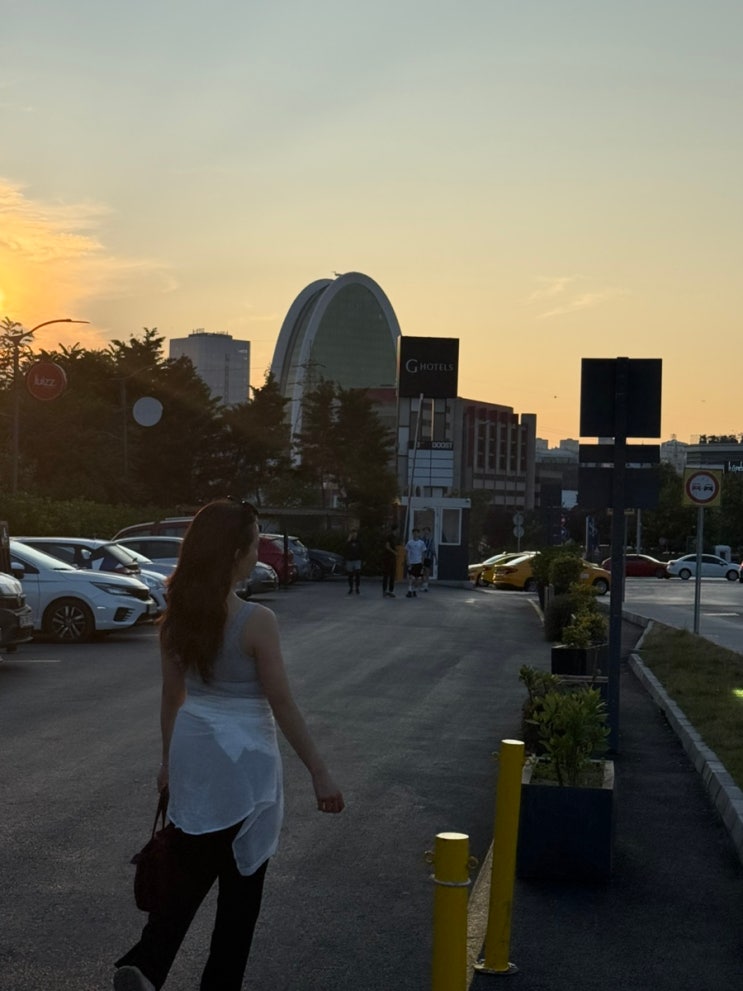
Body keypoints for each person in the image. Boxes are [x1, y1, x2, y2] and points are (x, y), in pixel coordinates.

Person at [114, 500, 344, 991]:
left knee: (185, 875)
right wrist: (319, 771)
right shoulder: (256, 620)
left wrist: (167, 762)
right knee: (241, 893)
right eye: (255, 543)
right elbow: (282, 703)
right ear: (235, 553)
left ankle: (148, 965)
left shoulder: (176, 618)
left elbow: (172, 696)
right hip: (246, 767)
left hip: (194, 755)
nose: (258, 552)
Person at [405, 528, 427, 598]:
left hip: (419, 562)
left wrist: (423, 562)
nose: (415, 534)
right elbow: (407, 552)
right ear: (412, 534)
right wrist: (407, 560)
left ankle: (414, 590)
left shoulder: (421, 543)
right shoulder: (409, 542)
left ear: (418, 534)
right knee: (411, 577)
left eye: (417, 533)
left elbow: (423, 553)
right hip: (412, 562)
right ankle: (409, 590)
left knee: (417, 578)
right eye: (414, 533)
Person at [343, 528, 363, 595]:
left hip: (357, 560)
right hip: (350, 560)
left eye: (355, 535)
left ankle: (357, 587)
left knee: (357, 574)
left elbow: (362, 550)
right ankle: (351, 588)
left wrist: (362, 559)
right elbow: (345, 548)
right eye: (353, 535)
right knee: (350, 575)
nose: (354, 536)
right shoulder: (349, 542)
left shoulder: (359, 542)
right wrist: (348, 540)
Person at [382, 524, 399, 598]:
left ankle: (391, 590)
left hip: (393, 558)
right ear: (394, 530)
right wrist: (394, 552)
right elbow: (387, 546)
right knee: (386, 574)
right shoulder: (389, 537)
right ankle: (384, 590)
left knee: (392, 574)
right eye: (397, 530)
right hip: (388, 558)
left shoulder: (395, 538)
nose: (398, 531)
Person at [421, 526, 436, 592]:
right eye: (424, 530)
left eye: (427, 530)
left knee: (427, 570)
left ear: (429, 532)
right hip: (422, 557)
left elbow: (433, 549)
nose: (425, 532)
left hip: (428, 557)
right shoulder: (421, 539)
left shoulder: (431, 539)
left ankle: (426, 585)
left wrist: (435, 558)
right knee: (422, 571)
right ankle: (423, 584)